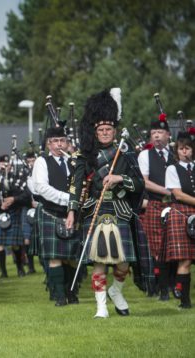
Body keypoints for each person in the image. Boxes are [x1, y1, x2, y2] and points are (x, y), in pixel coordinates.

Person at [65, 88, 144, 318]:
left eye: (109, 129)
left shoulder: (126, 156)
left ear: (115, 131)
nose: (106, 133)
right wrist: (71, 211)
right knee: (99, 261)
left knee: (123, 264)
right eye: (101, 130)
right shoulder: (85, 156)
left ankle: (116, 291)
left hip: (120, 210)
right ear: (95, 132)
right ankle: (101, 307)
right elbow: (75, 185)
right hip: (95, 210)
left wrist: (120, 178)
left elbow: (139, 184)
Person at [31, 125, 81, 306]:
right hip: (51, 213)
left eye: (62, 141)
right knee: (55, 257)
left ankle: (72, 293)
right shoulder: (42, 161)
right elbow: (41, 187)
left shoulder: (75, 161)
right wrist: (68, 199)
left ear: (67, 143)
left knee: (73, 257)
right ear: (48, 144)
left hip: (74, 214)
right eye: (54, 141)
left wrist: (75, 205)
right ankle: (60, 296)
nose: (59, 144)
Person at [138, 114, 174, 300]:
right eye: (154, 133)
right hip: (155, 205)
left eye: (160, 132)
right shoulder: (145, 155)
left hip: (175, 207)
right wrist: (169, 191)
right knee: (156, 248)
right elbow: (144, 182)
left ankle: (173, 283)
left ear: (168, 134)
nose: (157, 136)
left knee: (172, 246)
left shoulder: (175, 154)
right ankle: (160, 286)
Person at [163, 128, 195, 309]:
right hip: (181, 213)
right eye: (182, 148)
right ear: (177, 151)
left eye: (188, 148)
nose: (185, 151)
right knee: (185, 260)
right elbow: (178, 195)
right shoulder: (172, 169)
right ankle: (185, 301)